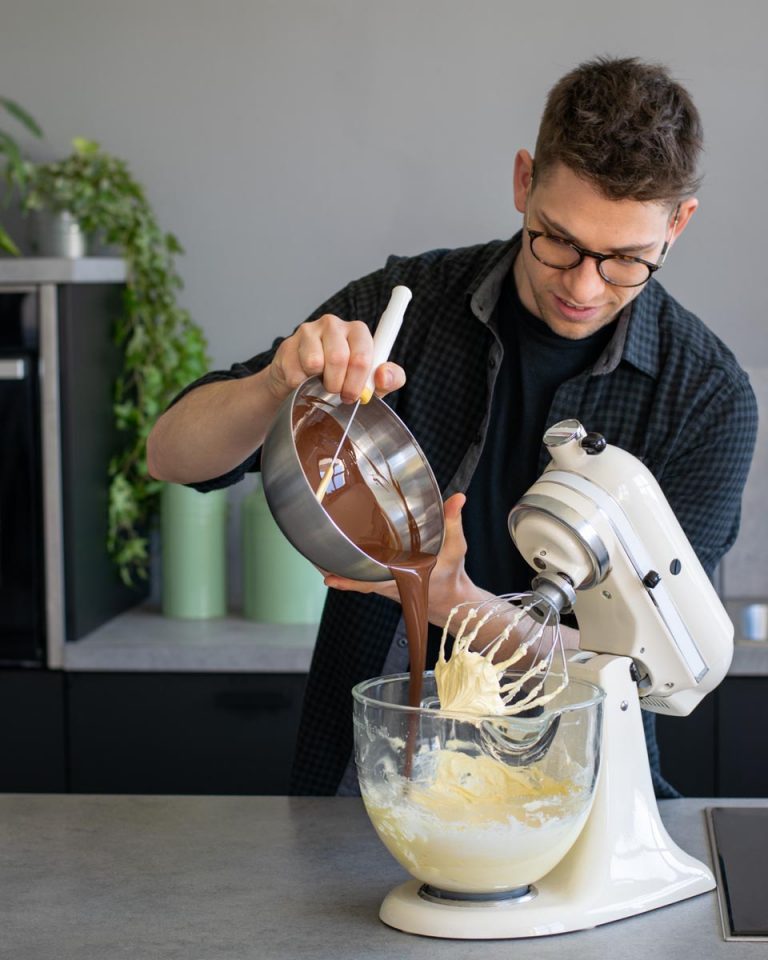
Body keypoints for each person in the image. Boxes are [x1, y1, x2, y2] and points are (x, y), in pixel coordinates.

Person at [147, 55, 757, 798]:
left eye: (626, 259)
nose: (584, 285)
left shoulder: (706, 397)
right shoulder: (412, 305)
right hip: (367, 780)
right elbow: (170, 454)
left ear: (678, 225)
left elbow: (654, 668)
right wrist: (278, 381)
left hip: (585, 791)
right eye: (558, 240)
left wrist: (453, 603)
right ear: (522, 182)